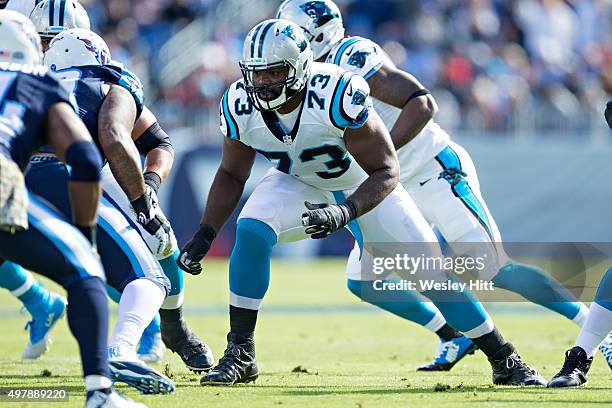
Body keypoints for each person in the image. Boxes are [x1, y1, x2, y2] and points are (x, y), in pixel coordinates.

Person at [178, 19, 545, 387]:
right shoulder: (239, 103)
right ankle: (241, 352)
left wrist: (345, 211)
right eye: (256, 74)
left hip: (362, 180)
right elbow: (231, 173)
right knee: (252, 228)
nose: (262, 83)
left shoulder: (336, 91)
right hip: (299, 180)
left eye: (274, 72)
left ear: (299, 68)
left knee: (433, 277)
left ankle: (504, 357)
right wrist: (206, 233)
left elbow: (386, 170)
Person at [277, 0, 604, 371]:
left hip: (431, 169)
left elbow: (423, 103)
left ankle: (596, 329)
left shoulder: (352, 55)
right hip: (394, 187)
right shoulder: (306, 77)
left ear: (318, 35)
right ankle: (453, 332)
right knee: (362, 279)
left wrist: (384, 159)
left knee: (494, 268)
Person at [0, 10, 144, 407]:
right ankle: (100, 392)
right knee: (84, 270)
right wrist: (86, 235)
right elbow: (82, 157)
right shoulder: (37, 82)